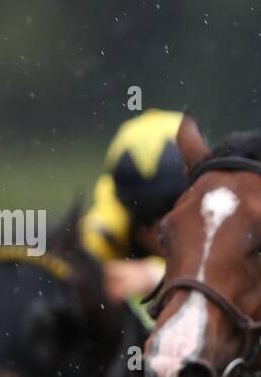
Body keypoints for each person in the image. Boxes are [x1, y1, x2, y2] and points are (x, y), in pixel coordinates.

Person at [80, 108, 187, 303]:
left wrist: (155, 276)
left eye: (174, 209)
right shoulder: (103, 231)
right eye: (144, 216)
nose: (159, 229)